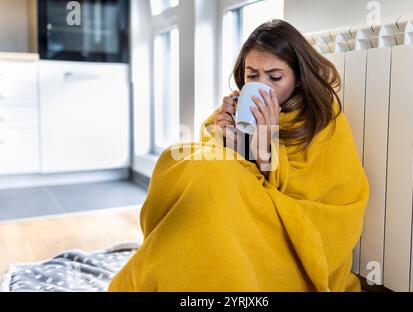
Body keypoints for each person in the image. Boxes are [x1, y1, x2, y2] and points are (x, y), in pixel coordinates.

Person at [108, 19, 369, 292]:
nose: (260, 84)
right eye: (252, 75)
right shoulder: (236, 106)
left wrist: (265, 152)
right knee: (175, 158)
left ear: (299, 78)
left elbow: (326, 209)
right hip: (235, 208)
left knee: (212, 171)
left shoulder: (323, 121)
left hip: (286, 237)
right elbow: (217, 177)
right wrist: (224, 140)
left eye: (275, 77)